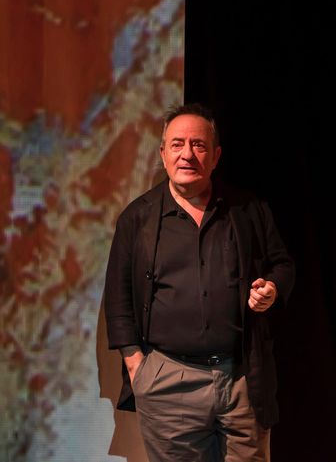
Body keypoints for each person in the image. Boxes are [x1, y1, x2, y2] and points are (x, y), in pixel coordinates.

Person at [104, 103, 295, 461]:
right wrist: (138, 368)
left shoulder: (247, 209)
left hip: (241, 378)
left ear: (216, 155)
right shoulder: (137, 219)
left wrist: (272, 288)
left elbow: (282, 265)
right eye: (177, 145)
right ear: (163, 154)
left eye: (199, 145)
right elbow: (118, 300)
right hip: (168, 382)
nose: (187, 154)